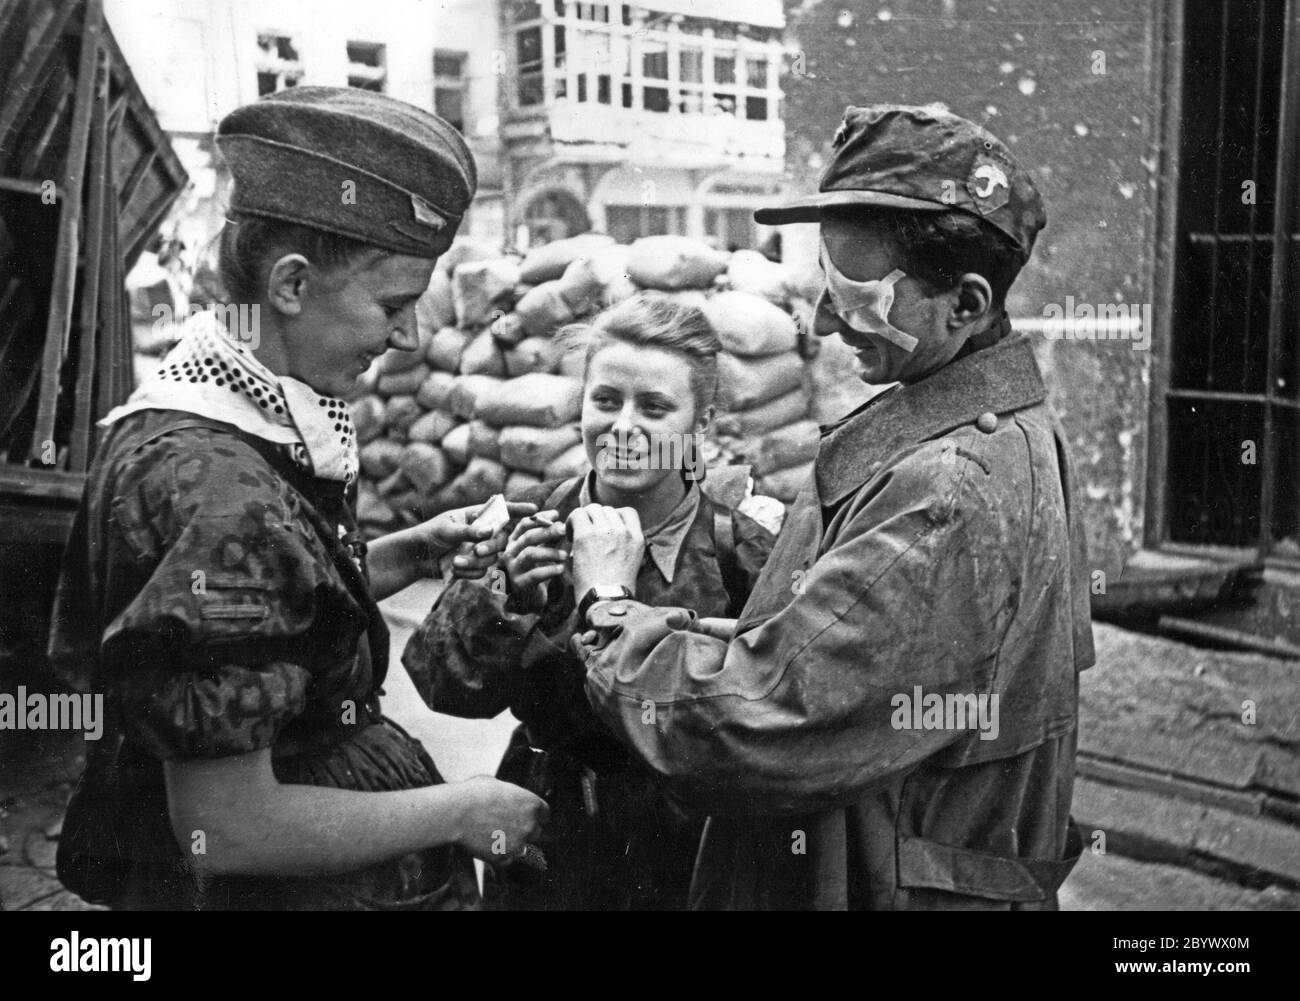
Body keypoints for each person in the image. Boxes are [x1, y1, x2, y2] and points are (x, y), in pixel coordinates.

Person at [569, 105, 1096, 910]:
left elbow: (759, 722)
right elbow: (852, 657)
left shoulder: (944, 491)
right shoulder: (1002, 429)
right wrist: (686, 628)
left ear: (965, 303)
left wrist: (609, 610)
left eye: (855, 293)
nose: (819, 318)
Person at [47, 87, 547, 910]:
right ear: (289, 284)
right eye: (393, 304)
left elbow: (276, 610)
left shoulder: (211, 416)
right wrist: (465, 808)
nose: (410, 336)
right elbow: (229, 825)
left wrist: (408, 553)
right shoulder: (214, 491)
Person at [403, 294, 775, 909]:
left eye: (654, 407)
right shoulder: (530, 524)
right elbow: (439, 686)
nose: (623, 427)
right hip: (548, 833)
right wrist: (508, 599)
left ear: (700, 425)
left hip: (690, 851)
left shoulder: (743, 553)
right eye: (605, 400)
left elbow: (766, 722)